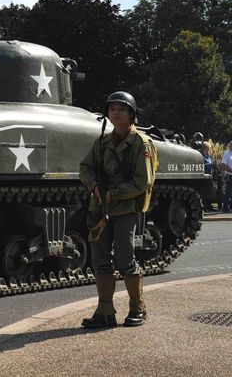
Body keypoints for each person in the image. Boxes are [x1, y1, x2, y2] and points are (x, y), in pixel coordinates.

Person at [79, 91, 157, 328]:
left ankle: (137, 307)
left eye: (121, 109)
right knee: (100, 260)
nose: (116, 112)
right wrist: (94, 186)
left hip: (125, 209)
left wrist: (116, 193)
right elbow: (86, 168)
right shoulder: (101, 143)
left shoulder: (141, 144)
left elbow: (143, 181)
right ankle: (105, 311)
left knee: (125, 259)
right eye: (112, 108)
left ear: (132, 114)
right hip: (100, 208)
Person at [201, 142, 214, 211]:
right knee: (205, 192)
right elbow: (202, 166)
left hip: (210, 175)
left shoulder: (208, 156)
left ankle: (209, 206)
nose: (208, 150)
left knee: (209, 192)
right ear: (204, 148)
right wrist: (211, 164)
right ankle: (204, 207)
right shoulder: (201, 156)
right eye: (207, 148)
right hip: (204, 176)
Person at [222, 141, 232, 212]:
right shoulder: (226, 153)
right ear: (229, 146)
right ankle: (225, 207)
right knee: (228, 192)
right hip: (229, 175)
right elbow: (223, 165)